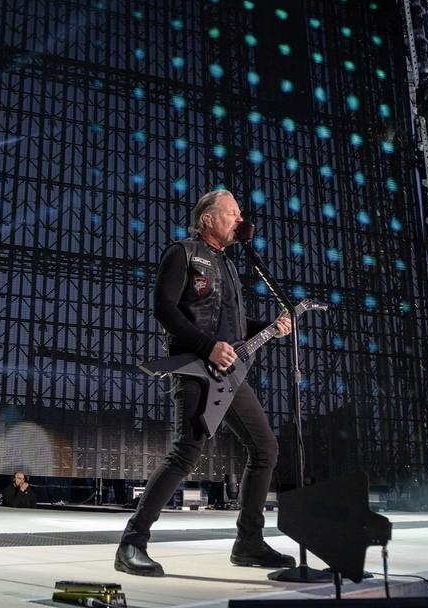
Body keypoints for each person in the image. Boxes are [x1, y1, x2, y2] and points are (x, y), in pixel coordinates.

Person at [115, 189, 296, 577]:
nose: (240, 220)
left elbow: (235, 329)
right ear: (207, 219)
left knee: (265, 448)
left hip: (228, 374)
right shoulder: (182, 253)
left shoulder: (228, 265)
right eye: (232, 213)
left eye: (240, 214)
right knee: (186, 452)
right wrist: (207, 347)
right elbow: (164, 308)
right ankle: (131, 543)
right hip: (195, 367)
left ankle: (249, 543)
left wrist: (270, 327)